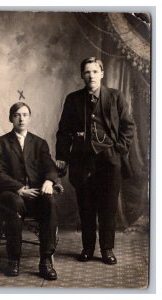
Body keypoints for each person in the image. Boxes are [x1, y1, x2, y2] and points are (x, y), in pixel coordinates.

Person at [56, 57, 134, 264]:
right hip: (82, 161)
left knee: (108, 208)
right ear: (82, 75)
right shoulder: (73, 99)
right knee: (86, 207)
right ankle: (87, 248)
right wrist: (62, 157)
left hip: (109, 161)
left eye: (94, 71)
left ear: (102, 73)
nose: (91, 75)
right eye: (87, 72)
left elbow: (128, 126)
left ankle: (107, 249)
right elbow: (63, 132)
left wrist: (119, 148)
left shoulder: (115, 97)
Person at [0, 102, 59, 280]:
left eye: (25, 115)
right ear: (10, 118)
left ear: (29, 117)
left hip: (34, 195)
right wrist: (19, 189)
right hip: (8, 195)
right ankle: (13, 260)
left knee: (49, 200)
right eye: (17, 115)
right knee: (15, 201)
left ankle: (45, 261)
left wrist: (50, 180)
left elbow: (49, 165)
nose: (21, 119)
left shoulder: (39, 143)